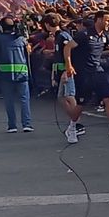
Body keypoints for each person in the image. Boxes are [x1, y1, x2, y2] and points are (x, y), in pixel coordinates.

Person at [65, 10, 109, 142]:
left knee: (108, 98)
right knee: (82, 103)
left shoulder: (106, 35)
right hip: (84, 74)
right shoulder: (84, 34)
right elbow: (68, 47)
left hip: (98, 71)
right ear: (98, 20)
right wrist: (69, 65)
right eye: (106, 20)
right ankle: (71, 128)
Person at [45, 13, 85, 143]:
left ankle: (78, 124)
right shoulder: (57, 37)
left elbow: (70, 53)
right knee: (61, 97)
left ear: (47, 24)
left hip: (66, 70)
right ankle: (74, 119)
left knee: (69, 95)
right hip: (59, 70)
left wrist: (66, 69)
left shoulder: (63, 36)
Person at [0, 16, 33, 132]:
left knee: (9, 100)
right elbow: (28, 53)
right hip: (21, 72)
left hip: (5, 73)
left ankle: (12, 125)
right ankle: (27, 124)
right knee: (24, 99)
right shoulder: (21, 39)